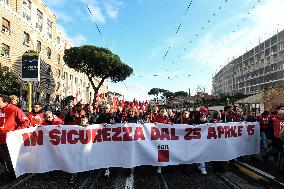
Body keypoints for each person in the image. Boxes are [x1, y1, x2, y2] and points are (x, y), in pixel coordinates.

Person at [0, 94, 30, 180]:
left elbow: (26, 122)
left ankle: (12, 175)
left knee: (8, 159)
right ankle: (8, 172)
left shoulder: (14, 109)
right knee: (2, 158)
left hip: (8, 140)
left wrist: (15, 132)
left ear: (5, 102)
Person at [68, 115, 89, 184]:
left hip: (87, 148)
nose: (82, 122)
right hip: (78, 147)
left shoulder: (90, 128)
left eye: (83, 120)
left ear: (87, 121)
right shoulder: (77, 127)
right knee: (75, 160)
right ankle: (73, 175)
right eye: (81, 120)